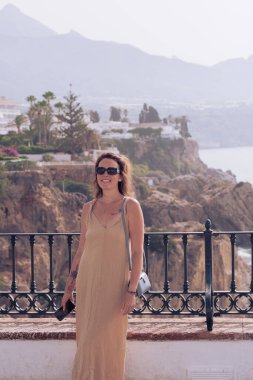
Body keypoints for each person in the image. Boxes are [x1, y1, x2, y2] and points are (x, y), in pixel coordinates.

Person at [61, 151, 144, 380]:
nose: (105, 175)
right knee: (86, 344)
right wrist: (69, 289)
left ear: (120, 176)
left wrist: (131, 290)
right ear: (96, 175)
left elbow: (137, 253)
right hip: (88, 286)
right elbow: (81, 250)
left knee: (109, 345)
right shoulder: (88, 208)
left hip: (115, 287)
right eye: (100, 170)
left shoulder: (131, 206)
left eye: (111, 170)